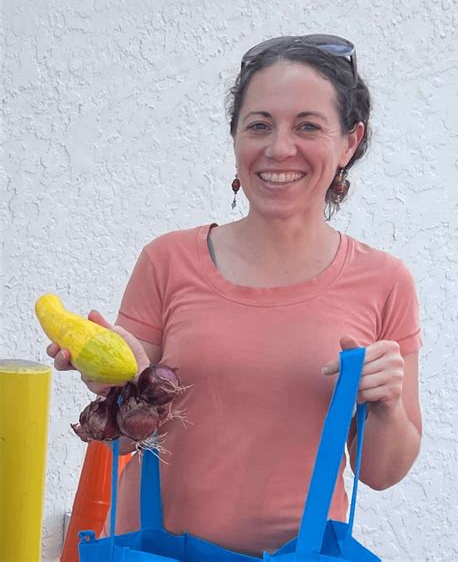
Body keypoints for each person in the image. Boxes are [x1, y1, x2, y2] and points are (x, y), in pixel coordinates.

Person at [47, 34, 422, 556]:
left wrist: (386, 405)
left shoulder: (384, 282)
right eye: (259, 125)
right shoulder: (167, 261)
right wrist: (123, 382)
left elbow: (381, 472)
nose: (279, 148)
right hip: (153, 551)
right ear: (235, 137)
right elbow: (126, 438)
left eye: (307, 126)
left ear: (348, 142)